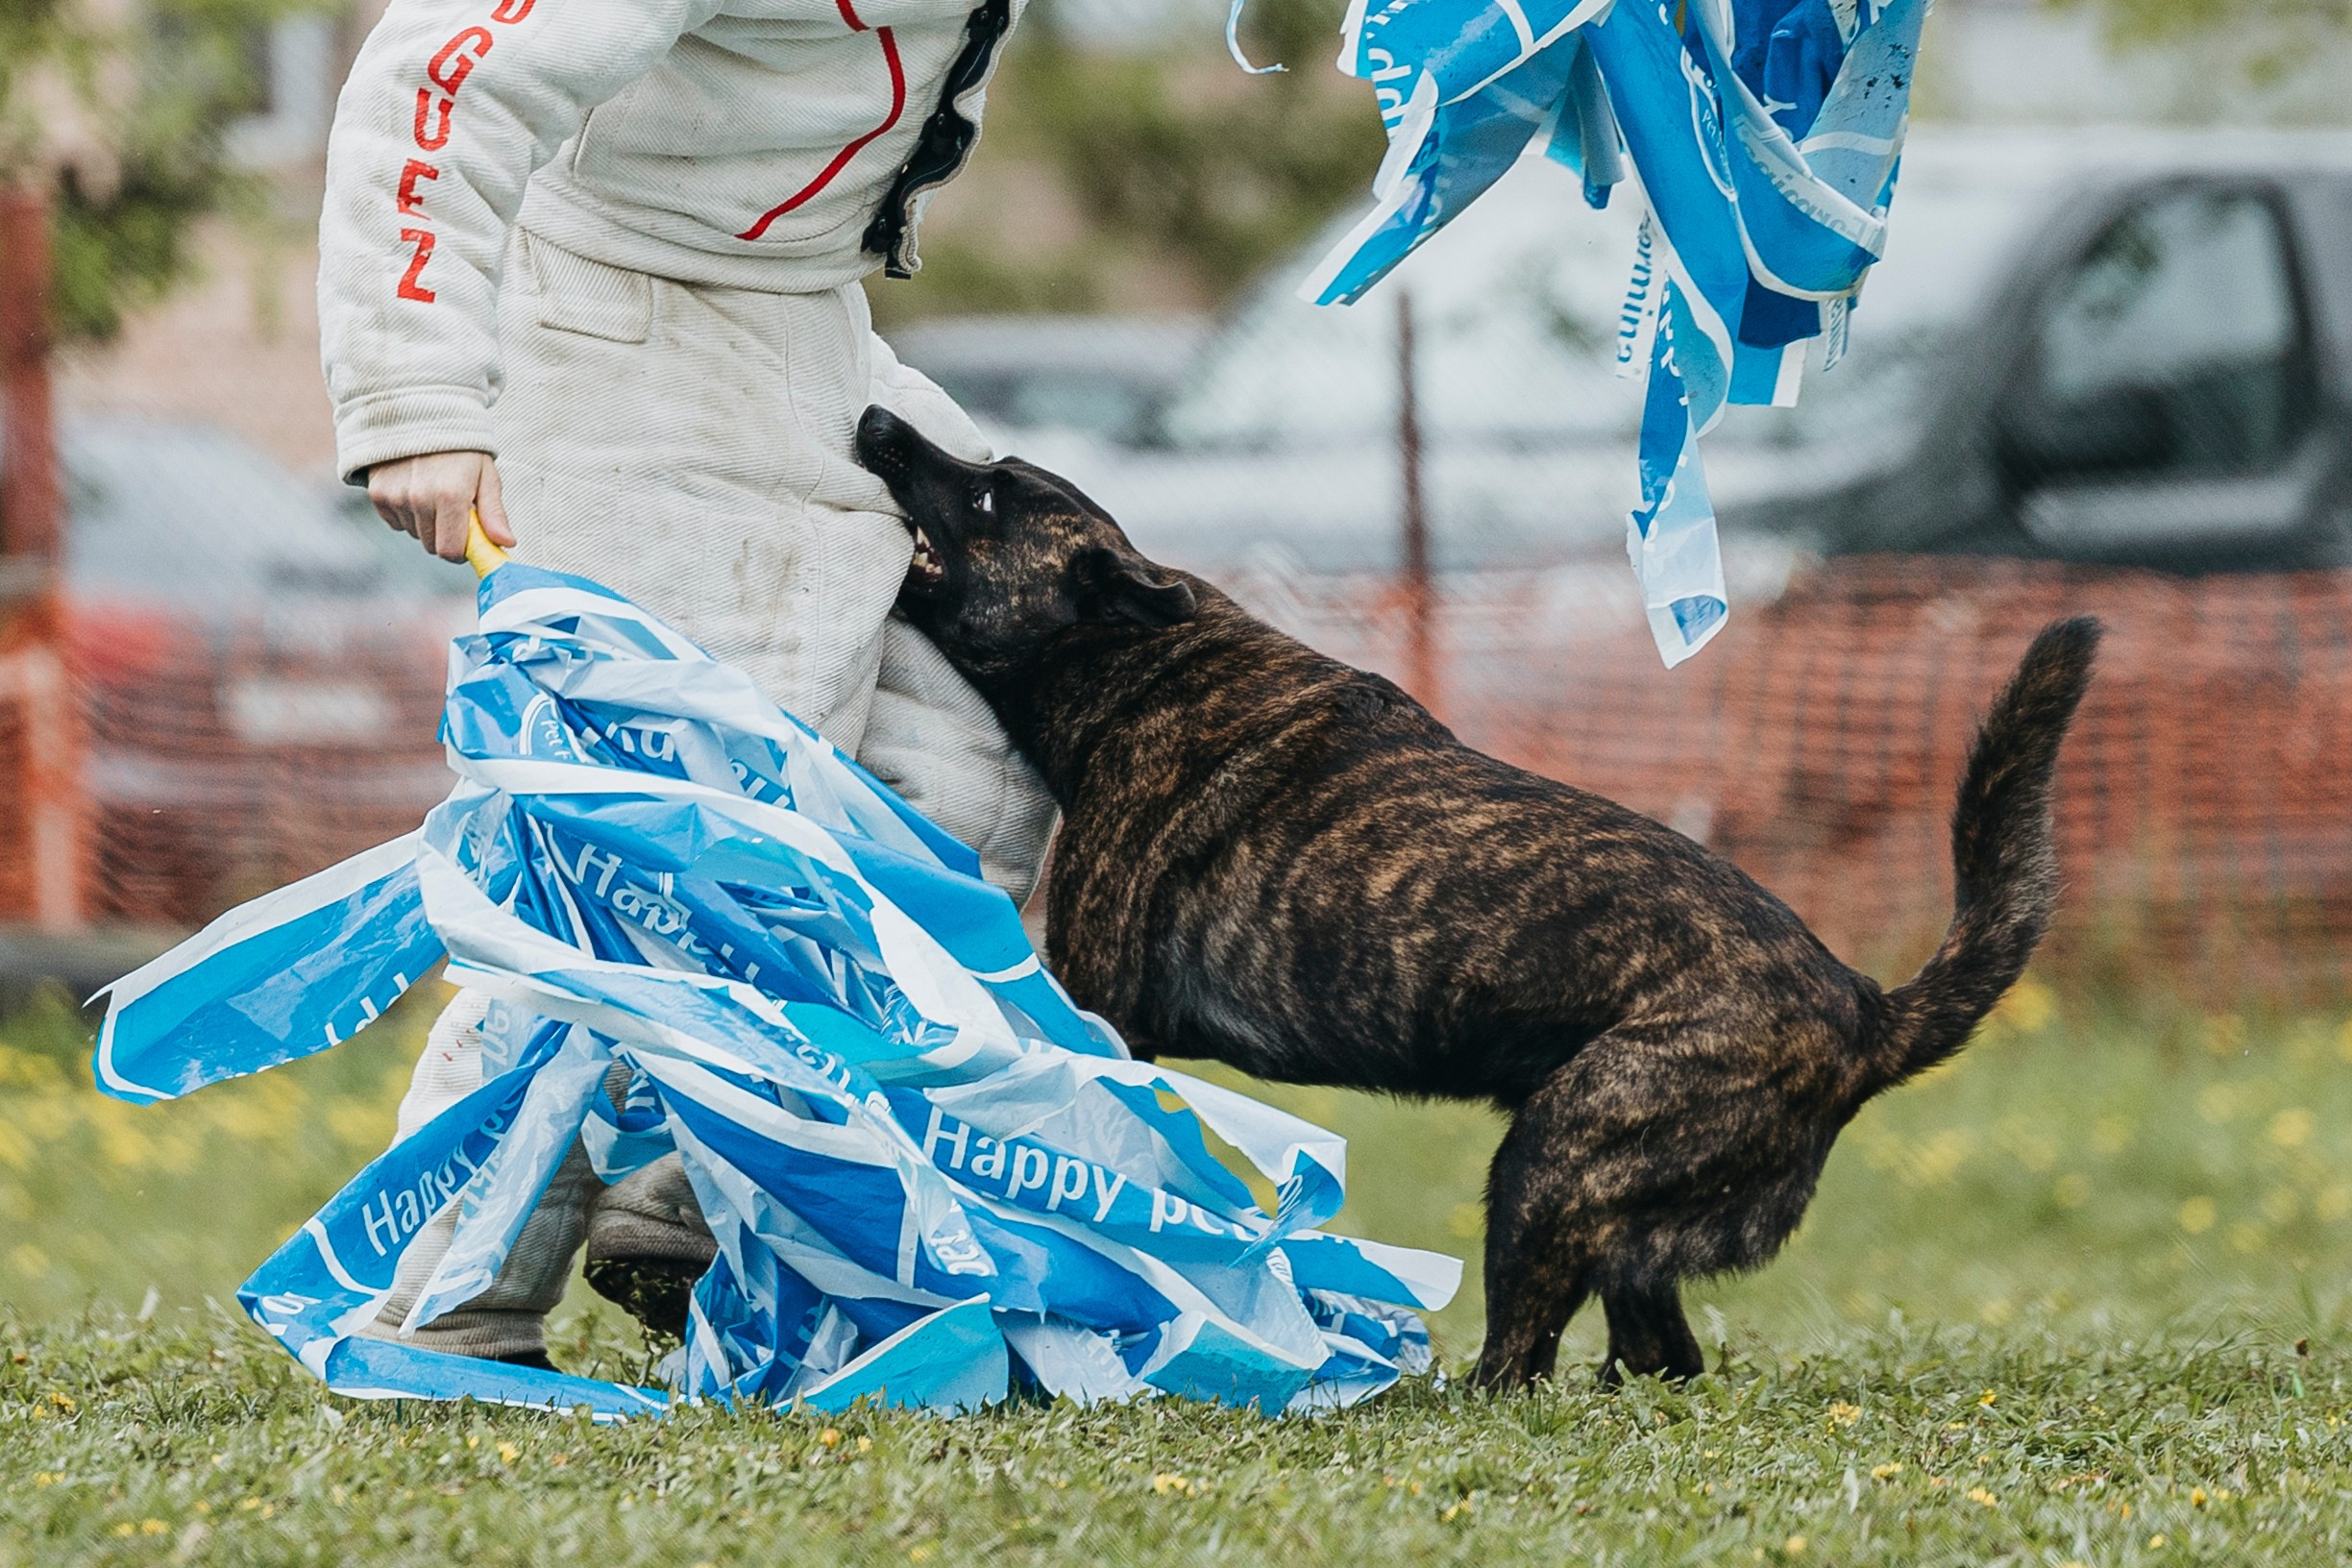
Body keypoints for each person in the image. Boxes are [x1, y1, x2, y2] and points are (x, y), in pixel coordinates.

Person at [318, 0, 1055, 1367]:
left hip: (809, 334)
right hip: (617, 338)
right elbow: (444, 70)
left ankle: (711, 1182)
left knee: (992, 747)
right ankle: (450, 1305)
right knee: (647, 848)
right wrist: (413, 396)